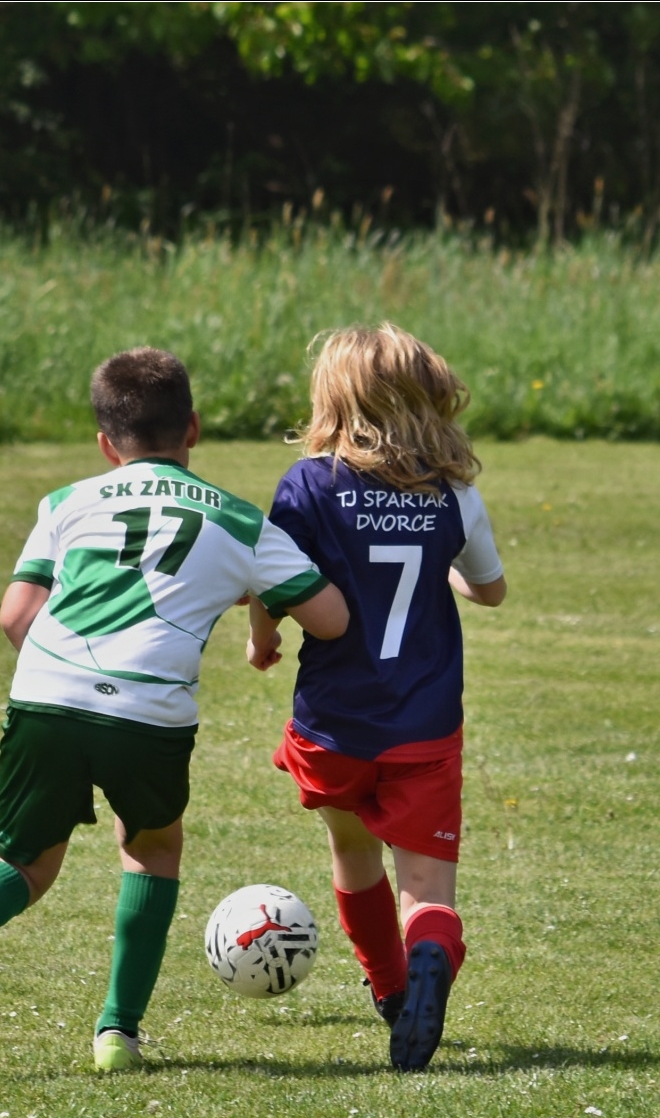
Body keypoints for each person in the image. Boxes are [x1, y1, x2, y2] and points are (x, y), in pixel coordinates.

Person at [0, 347, 348, 1071]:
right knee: (152, 848)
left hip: (47, 693)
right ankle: (116, 1034)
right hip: (149, 710)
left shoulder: (66, 503)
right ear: (194, 428)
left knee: (24, 861)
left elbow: (15, 615)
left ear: (105, 443)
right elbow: (330, 619)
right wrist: (262, 601)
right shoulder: (239, 522)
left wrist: (67, 677)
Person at [253, 323, 506, 1072]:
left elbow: (273, 575)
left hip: (333, 724)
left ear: (332, 397)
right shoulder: (454, 493)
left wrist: (261, 640)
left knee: (352, 848)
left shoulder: (307, 485)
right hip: (424, 724)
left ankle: (392, 991)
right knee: (426, 892)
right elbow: (489, 589)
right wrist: (445, 571)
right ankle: (427, 956)